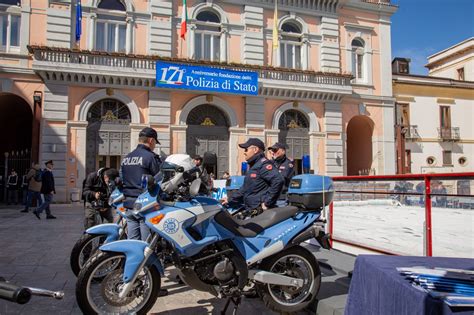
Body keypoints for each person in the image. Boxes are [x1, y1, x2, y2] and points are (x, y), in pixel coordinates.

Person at [221, 138, 284, 214]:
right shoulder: (254, 166)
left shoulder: (263, 165)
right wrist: (229, 199)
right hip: (250, 210)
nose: (244, 152)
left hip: (260, 212)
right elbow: (245, 189)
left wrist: (267, 203)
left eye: (246, 149)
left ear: (255, 149)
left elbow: (278, 180)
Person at [121, 127, 161, 241]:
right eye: (155, 143)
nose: (154, 146)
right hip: (144, 206)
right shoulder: (150, 157)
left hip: (129, 205)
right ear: (151, 140)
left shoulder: (127, 157)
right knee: (146, 245)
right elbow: (159, 179)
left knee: (133, 243)